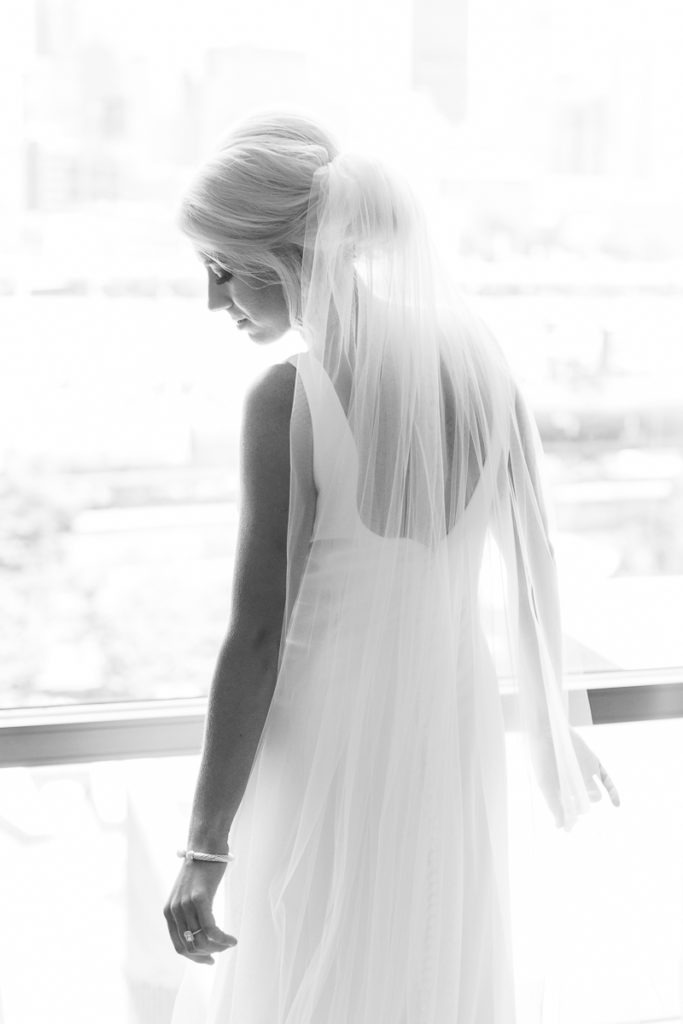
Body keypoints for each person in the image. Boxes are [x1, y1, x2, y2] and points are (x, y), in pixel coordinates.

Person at [164, 109, 620, 1023]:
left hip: (322, 751)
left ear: (291, 259)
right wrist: (545, 713)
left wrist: (204, 846)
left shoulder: (288, 398)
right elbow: (531, 562)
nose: (215, 302)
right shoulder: (476, 361)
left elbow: (255, 637)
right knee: (424, 968)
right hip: (447, 742)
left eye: (224, 271)